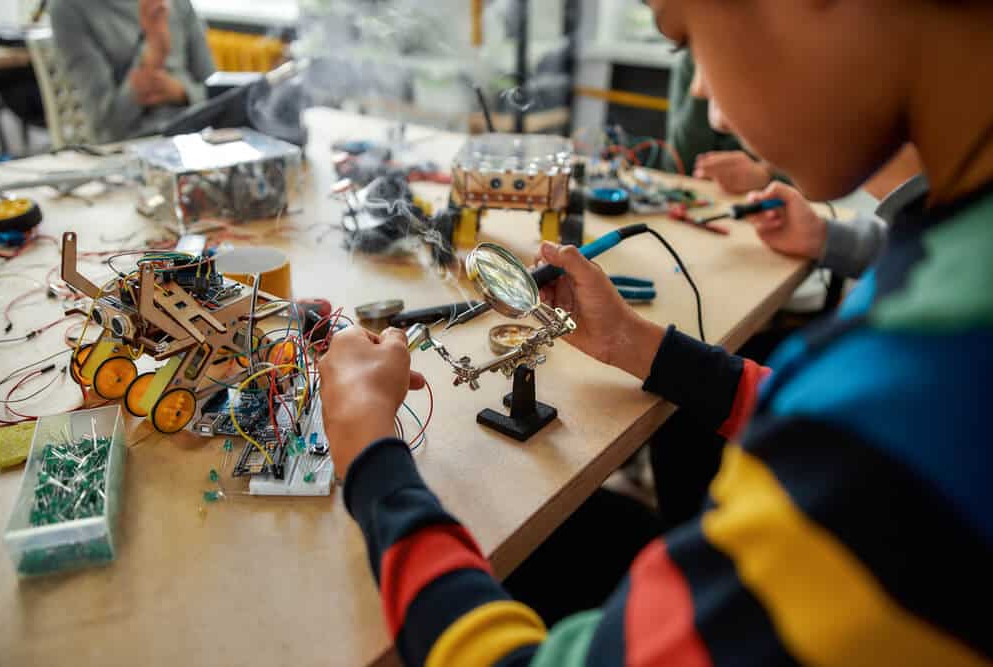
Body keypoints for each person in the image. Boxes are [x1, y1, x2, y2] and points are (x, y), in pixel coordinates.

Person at [320, 1, 993, 665]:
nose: (700, 93)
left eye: (683, 37)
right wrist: (635, 343)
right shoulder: (953, 266)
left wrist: (374, 459)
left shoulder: (913, 392)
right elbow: (812, 412)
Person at [50, 0, 215, 143]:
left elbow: (217, 92)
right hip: (129, 145)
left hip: (198, 136)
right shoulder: (69, 8)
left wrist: (181, 92)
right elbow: (106, 126)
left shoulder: (178, 4)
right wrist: (152, 55)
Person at [663, 50, 783, 194]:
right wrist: (701, 86)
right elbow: (676, 166)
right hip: (712, 198)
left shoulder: (786, 57)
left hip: (776, 198)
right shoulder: (692, 59)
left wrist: (766, 175)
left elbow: (814, 173)